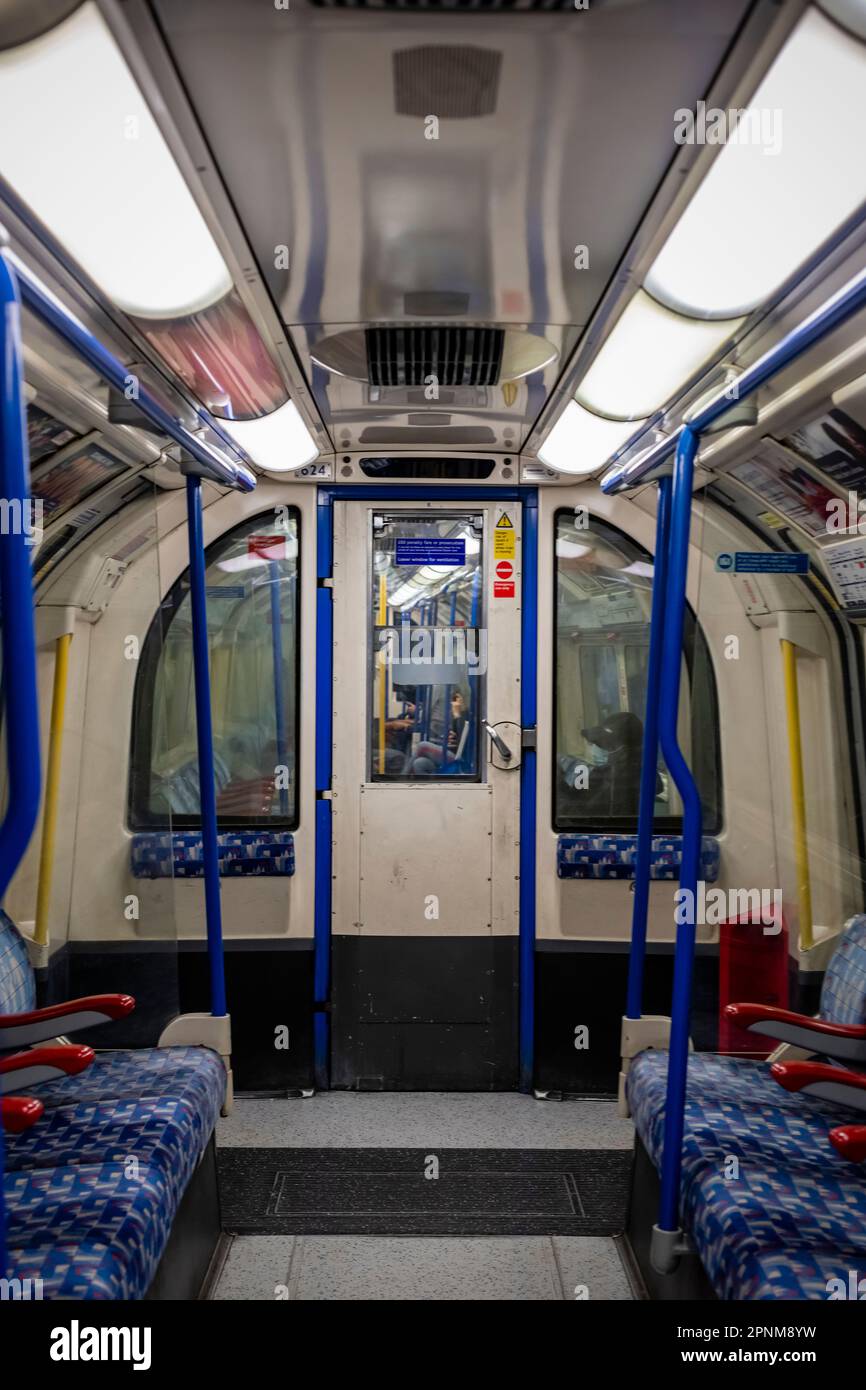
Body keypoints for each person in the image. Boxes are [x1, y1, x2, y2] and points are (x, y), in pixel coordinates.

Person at [558, 710, 659, 818]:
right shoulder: (607, 773)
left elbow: (579, 818)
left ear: (622, 749)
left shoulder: (619, 779)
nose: (594, 747)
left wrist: (556, 786)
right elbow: (578, 799)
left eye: (605, 744)